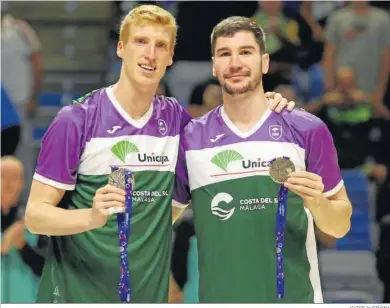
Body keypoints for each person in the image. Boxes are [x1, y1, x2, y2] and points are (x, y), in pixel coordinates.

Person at [24, 5, 295, 304]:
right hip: (75, 295)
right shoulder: (76, 120)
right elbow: (36, 217)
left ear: (170, 57)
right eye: (140, 42)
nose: (150, 54)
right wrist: (91, 217)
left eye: (161, 45)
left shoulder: (177, 121)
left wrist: (267, 105)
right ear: (121, 47)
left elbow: (232, 129)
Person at [173, 16, 353, 303]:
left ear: (265, 62)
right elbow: (160, 219)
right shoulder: (190, 138)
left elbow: (340, 226)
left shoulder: (307, 129)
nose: (235, 63)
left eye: (245, 52)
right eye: (224, 54)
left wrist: (318, 203)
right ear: (214, 65)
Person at [1, 156, 46, 303]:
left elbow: (48, 270)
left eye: (14, 177)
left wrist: (23, 247)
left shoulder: (37, 220)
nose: (7, 182)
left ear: (22, 183)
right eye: (2, 176)